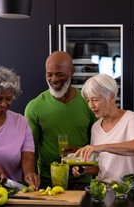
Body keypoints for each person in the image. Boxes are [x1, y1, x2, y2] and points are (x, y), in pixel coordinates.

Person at [25, 51, 97, 187]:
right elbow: (29, 150)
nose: (54, 79)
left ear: (72, 72)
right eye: (49, 74)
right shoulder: (34, 107)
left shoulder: (88, 102)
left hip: (83, 181)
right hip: (48, 182)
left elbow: (99, 145)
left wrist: (80, 152)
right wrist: (31, 178)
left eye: (60, 74)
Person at [72, 73, 134, 183]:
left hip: (130, 189)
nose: (91, 105)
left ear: (111, 97)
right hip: (105, 189)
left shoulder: (130, 117)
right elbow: (100, 168)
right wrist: (83, 169)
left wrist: (102, 147)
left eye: (95, 100)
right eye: (88, 100)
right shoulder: (96, 127)